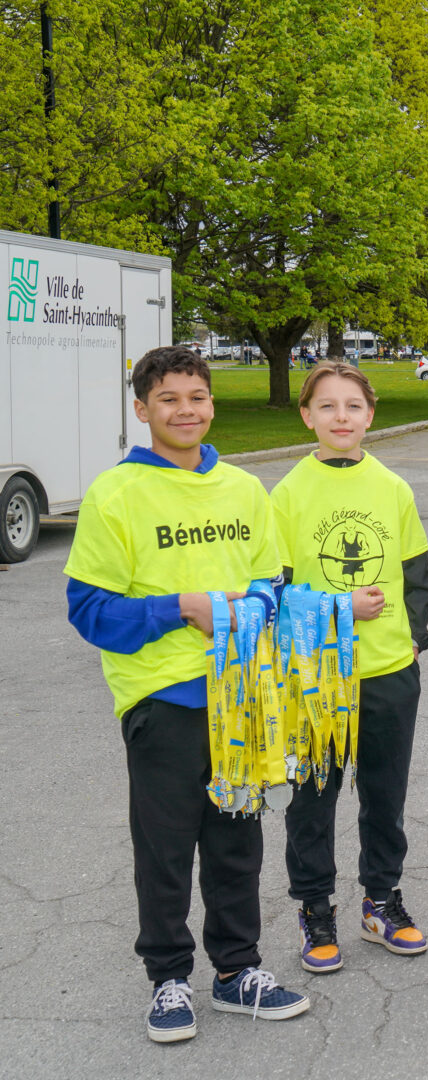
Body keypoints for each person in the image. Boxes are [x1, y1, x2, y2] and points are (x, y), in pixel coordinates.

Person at [64, 345, 309, 1042]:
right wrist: (183, 608)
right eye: (168, 399)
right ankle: (169, 978)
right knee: (165, 848)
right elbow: (92, 612)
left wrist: (257, 602)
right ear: (142, 410)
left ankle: (237, 972)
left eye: (196, 397)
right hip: (163, 699)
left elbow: (271, 577)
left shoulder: (242, 488)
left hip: (242, 697)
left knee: (238, 843)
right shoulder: (116, 494)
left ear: (211, 404)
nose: (186, 410)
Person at [272, 362, 428, 974]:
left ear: (371, 415)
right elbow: (275, 590)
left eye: (353, 407)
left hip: (388, 670)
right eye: (327, 406)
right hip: (316, 674)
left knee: (384, 794)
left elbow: (417, 575)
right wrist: (340, 607)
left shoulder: (392, 487)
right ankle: (315, 908)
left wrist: (413, 638)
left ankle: (382, 899)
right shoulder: (288, 493)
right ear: (307, 415)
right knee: (314, 795)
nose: (341, 418)